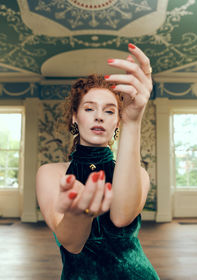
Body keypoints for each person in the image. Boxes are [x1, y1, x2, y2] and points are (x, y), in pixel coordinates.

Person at [36, 43, 160, 279]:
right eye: (90, 108)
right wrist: (80, 214)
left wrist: (134, 122)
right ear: (75, 117)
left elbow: (121, 217)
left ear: (117, 122)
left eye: (110, 111)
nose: (99, 116)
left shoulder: (139, 175)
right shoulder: (50, 174)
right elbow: (72, 245)